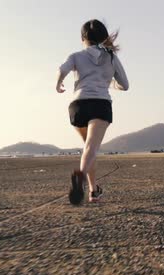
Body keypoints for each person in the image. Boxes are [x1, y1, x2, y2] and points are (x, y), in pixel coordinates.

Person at [56, 19, 129, 205]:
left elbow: (62, 70)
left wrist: (58, 84)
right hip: (100, 104)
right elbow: (125, 85)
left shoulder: (76, 55)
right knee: (91, 148)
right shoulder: (111, 56)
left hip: (77, 105)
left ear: (83, 38)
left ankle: (94, 191)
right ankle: (80, 177)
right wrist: (109, 82)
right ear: (103, 37)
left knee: (89, 150)